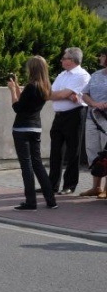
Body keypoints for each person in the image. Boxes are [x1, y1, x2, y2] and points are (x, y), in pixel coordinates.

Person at [7, 57, 58, 210]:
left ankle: (31, 202)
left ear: (32, 69)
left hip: (22, 128)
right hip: (36, 128)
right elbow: (27, 101)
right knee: (37, 164)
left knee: (26, 166)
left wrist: (11, 91)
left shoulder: (31, 86)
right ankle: (51, 201)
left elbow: (17, 107)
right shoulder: (45, 86)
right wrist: (16, 86)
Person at [47, 47, 91, 195]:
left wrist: (63, 94)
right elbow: (50, 93)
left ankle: (69, 185)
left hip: (74, 115)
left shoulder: (82, 75)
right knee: (55, 151)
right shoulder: (62, 75)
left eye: (64, 58)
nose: (61, 60)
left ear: (72, 60)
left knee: (73, 151)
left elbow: (60, 94)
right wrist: (66, 94)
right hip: (59, 116)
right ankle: (51, 184)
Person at [80, 48, 107, 198]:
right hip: (92, 119)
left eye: (102, 55)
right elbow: (84, 94)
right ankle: (96, 187)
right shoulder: (95, 75)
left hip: (106, 119)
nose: (100, 58)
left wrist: (104, 105)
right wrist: (94, 103)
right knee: (93, 152)